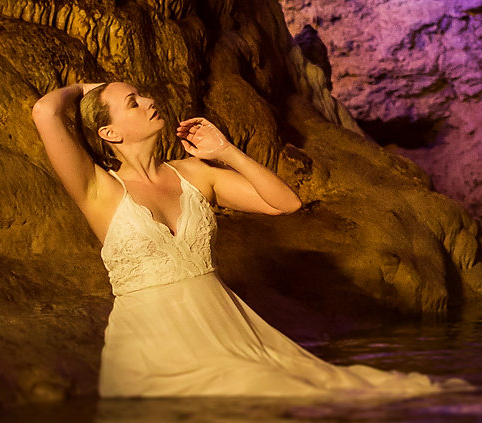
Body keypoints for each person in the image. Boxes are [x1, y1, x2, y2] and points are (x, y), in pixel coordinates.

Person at [29, 80, 460, 400]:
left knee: (325, 390)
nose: (149, 100)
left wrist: (226, 151)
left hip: (227, 328)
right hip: (152, 342)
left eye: (142, 93)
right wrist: (86, 88)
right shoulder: (98, 190)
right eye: (133, 102)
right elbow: (46, 113)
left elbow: (284, 204)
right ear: (110, 134)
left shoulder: (194, 174)